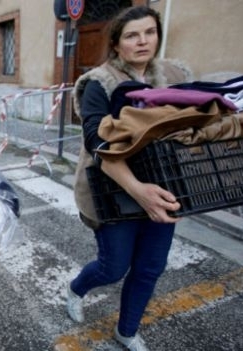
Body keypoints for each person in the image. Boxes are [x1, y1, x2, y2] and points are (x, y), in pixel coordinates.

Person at [68, 6, 193, 351]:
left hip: (163, 186)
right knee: (113, 268)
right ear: (117, 43)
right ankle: (77, 288)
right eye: (132, 35)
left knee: (150, 267)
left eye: (149, 32)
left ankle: (127, 330)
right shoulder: (100, 82)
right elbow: (97, 143)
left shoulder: (172, 75)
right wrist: (139, 191)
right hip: (113, 190)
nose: (142, 41)